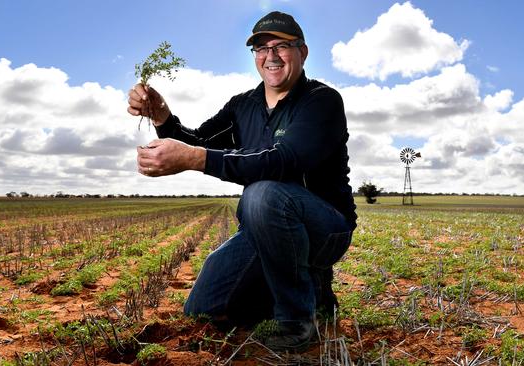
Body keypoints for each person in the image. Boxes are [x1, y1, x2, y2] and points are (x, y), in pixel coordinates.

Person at [127, 10, 356, 352]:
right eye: (261, 48)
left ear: (303, 52)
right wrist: (162, 116)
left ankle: (297, 318)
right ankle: (306, 287)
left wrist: (192, 160)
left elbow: (285, 160)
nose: (271, 56)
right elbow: (198, 141)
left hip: (325, 228)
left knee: (263, 193)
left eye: (282, 46)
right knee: (204, 307)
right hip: (264, 228)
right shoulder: (242, 105)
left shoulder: (321, 102)